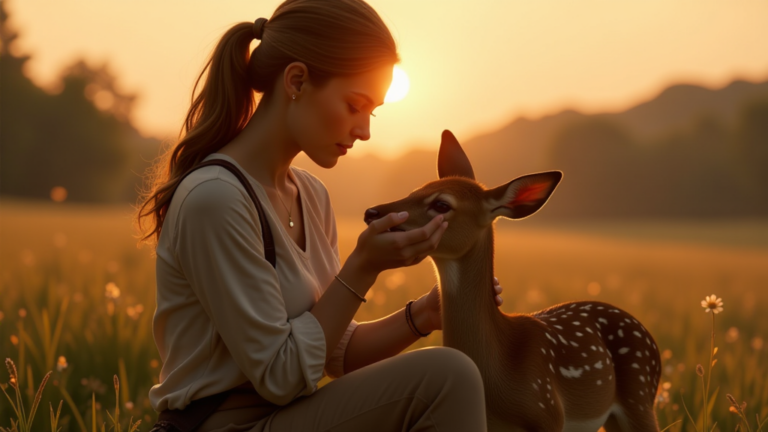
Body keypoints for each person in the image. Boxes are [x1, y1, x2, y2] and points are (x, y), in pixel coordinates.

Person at [134, 0, 504, 430]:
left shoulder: (310, 194)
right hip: (223, 425)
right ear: (296, 80)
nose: (365, 129)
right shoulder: (215, 199)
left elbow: (332, 353)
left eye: (373, 112)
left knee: (451, 370)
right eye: (355, 105)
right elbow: (282, 376)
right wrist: (363, 268)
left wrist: (422, 315)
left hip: (291, 418)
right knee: (448, 377)